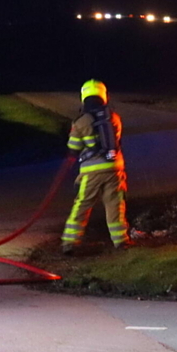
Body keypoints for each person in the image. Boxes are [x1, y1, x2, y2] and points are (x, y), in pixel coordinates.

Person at [61, 79, 130, 253]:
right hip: (114, 168)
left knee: (83, 204)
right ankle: (121, 241)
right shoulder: (114, 118)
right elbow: (117, 142)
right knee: (115, 203)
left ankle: (70, 243)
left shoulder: (81, 122)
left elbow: (74, 148)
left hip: (91, 171)